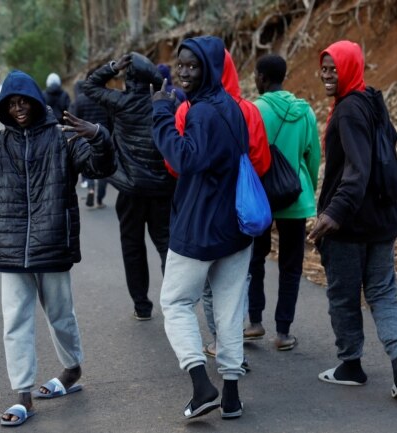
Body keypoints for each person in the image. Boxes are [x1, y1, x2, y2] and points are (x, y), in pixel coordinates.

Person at [0, 69, 115, 426]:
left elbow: (101, 164)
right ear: (4, 106)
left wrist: (99, 136)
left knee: (61, 315)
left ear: (36, 101)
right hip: (11, 249)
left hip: (53, 244)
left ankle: (71, 370)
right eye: (11, 103)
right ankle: (23, 396)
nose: (18, 108)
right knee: (15, 322)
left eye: (24, 102)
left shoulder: (62, 140)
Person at [152, 35, 256, 420]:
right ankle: (230, 395)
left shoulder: (201, 113)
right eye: (180, 64)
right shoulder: (230, 106)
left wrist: (162, 114)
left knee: (175, 303)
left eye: (193, 66)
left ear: (210, 69)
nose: (183, 72)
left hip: (199, 227)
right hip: (235, 227)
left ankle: (201, 386)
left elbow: (184, 158)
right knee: (229, 311)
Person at [308, 40, 397, 398]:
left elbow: (358, 169)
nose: (326, 75)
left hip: (351, 225)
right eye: (324, 68)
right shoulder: (370, 100)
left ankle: (351, 365)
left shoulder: (349, 111)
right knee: (384, 293)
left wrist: (333, 214)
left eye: (333, 69)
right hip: (382, 219)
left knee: (343, 296)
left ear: (349, 68)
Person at [167, 49, 271, 366]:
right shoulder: (246, 109)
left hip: (200, 214)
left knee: (197, 293)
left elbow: (177, 165)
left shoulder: (189, 109)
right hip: (244, 210)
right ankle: (233, 359)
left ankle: (215, 346)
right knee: (236, 288)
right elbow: (261, 161)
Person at [82, 52, 175, 321]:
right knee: (165, 245)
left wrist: (112, 67)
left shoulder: (120, 102)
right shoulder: (166, 103)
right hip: (162, 189)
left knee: (132, 247)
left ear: (129, 79)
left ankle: (142, 306)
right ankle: (174, 303)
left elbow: (90, 86)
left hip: (131, 189)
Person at [244, 54, 321, 351]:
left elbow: (246, 153)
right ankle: (284, 332)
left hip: (261, 194)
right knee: (291, 265)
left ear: (262, 77)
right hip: (294, 194)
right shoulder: (305, 111)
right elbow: (312, 157)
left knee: (255, 259)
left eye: (255, 75)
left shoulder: (253, 110)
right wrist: (306, 190)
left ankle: (254, 322)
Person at [70, 77, 112, 209]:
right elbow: (111, 119)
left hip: (85, 137)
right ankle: (99, 200)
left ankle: (90, 188)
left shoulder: (80, 100)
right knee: (103, 165)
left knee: (86, 163)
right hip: (102, 135)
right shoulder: (103, 100)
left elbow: (75, 120)